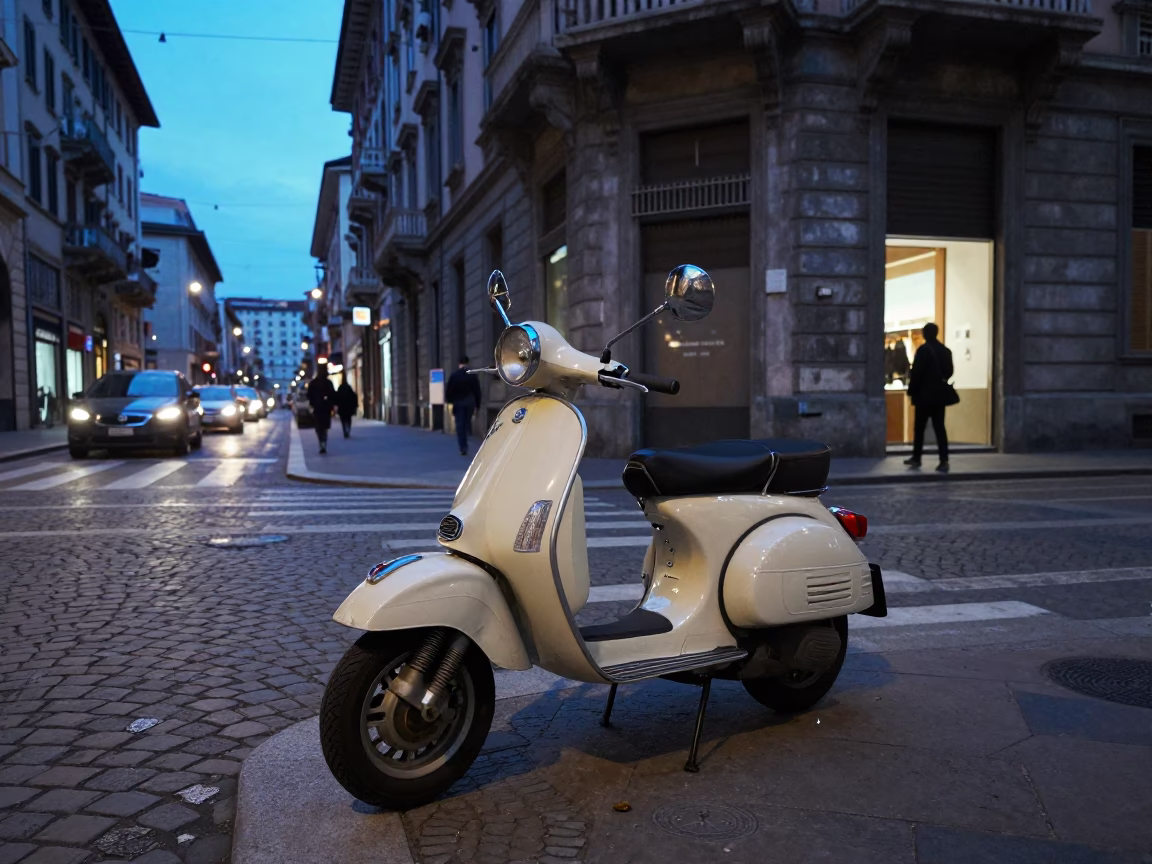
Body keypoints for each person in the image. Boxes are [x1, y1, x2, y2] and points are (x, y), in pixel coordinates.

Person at [904, 322, 954, 473]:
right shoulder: (946, 351)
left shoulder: (923, 351)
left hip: (924, 395)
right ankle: (944, 460)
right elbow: (949, 372)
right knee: (940, 428)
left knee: (919, 428)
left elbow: (916, 373)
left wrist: (911, 391)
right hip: (939, 395)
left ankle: (917, 457)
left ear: (926, 334)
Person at [445, 356, 482, 456]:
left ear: (459, 363)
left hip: (458, 403)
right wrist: (478, 405)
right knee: (466, 422)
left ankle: (463, 446)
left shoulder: (455, 375)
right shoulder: (472, 375)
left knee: (459, 425)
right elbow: (477, 391)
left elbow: (449, 391)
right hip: (470, 402)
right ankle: (466, 436)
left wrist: (450, 401)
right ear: (468, 363)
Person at [306, 365, 337, 454]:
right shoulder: (328, 383)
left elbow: (309, 395)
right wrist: (332, 406)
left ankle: (321, 442)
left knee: (319, 427)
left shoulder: (313, 383)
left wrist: (312, 404)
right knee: (325, 427)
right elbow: (333, 395)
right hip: (326, 408)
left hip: (317, 408)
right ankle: (323, 442)